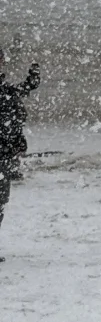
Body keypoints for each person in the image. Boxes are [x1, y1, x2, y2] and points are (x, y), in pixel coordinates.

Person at [0, 52, 40, 253]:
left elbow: (25, 89)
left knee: (1, 200)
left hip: (5, 153)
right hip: (4, 152)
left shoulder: (7, 90)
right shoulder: (6, 92)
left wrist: (33, 77)